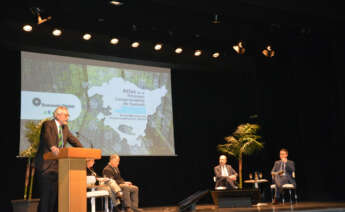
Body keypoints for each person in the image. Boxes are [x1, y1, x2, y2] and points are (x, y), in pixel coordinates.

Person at [35, 106, 83, 212]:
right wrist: (52, 146)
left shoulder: (65, 129)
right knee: (45, 199)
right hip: (46, 168)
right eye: (66, 115)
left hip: (58, 168)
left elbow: (74, 140)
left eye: (68, 115)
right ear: (57, 115)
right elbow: (47, 136)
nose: (68, 117)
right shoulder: (48, 125)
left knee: (53, 200)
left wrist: (83, 151)